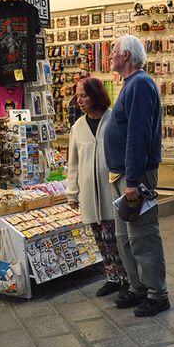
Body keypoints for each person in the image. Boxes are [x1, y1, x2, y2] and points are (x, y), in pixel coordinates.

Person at [104, 35, 169, 317]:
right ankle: (138, 286)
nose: (110, 56)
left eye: (114, 51)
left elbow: (138, 136)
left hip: (135, 175)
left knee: (142, 234)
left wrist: (132, 181)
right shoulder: (131, 85)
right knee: (125, 235)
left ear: (127, 55)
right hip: (123, 174)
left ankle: (157, 293)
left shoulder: (140, 84)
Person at [67, 77, 127, 298]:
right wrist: (72, 192)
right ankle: (112, 277)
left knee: (117, 238)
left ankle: (128, 278)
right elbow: (73, 163)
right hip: (90, 194)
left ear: (96, 95)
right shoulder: (78, 127)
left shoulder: (114, 120)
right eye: (78, 96)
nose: (79, 100)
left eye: (84, 95)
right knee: (100, 239)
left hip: (112, 189)